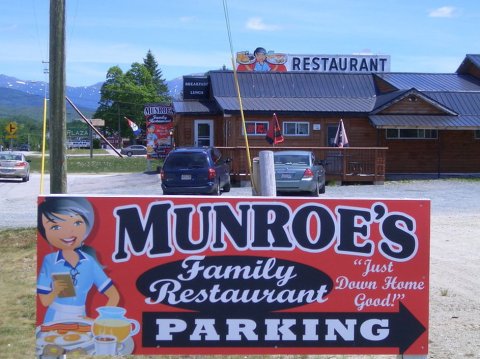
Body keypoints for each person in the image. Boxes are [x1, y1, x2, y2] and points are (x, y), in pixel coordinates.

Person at [37, 197, 120, 323]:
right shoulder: (50, 260)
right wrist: (55, 291)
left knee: (80, 342)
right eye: (55, 227)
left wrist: (97, 321)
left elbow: (114, 295)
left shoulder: (89, 262)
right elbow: (44, 301)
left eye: (76, 223)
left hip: (80, 318)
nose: (68, 232)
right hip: (54, 318)